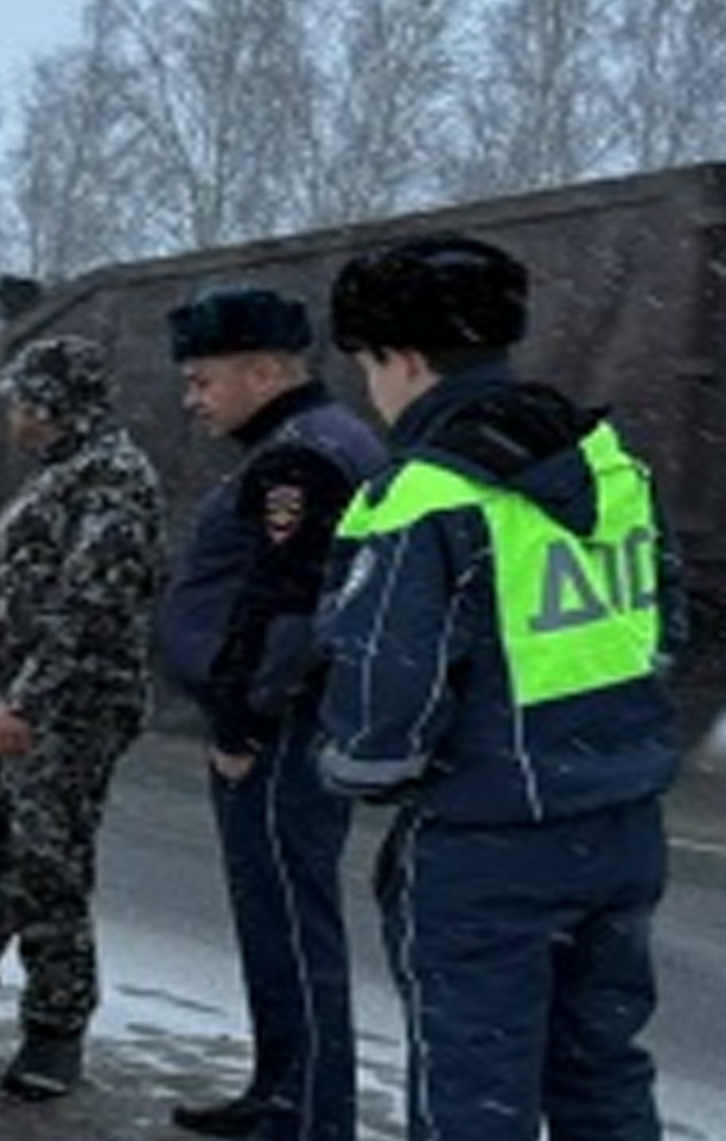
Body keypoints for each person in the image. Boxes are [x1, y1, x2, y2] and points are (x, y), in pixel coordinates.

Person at [317, 234, 686, 1141]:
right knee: (603, 1077)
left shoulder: (421, 497)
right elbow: (668, 626)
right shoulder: (611, 465)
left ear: (400, 358)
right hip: (624, 826)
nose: (370, 386)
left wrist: (357, 763)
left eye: (367, 363)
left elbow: (382, 708)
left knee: (476, 1099)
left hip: (488, 848)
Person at [158, 287, 384, 1141]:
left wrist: (239, 725)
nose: (193, 398)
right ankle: (279, 1088)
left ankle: (313, 1116)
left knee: (293, 923)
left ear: (265, 369)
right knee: (272, 919)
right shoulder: (307, 444)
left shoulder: (304, 457)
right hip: (284, 720)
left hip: (282, 731)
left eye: (203, 380)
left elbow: (291, 609)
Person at [0, 334, 166, 1100]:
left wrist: (28, 702)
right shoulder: (64, 473)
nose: (14, 414)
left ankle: (55, 1027)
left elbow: (92, 604)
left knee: (48, 864)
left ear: (52, 404)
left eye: (23, 400)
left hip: (63, 714)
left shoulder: (113, 476)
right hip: (10, 706)